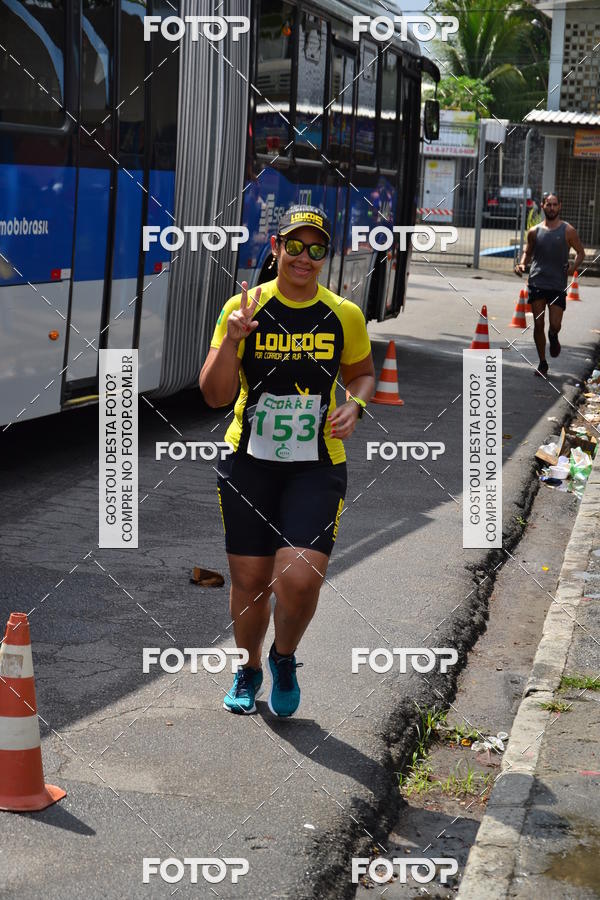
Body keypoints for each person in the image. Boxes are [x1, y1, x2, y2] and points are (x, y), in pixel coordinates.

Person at [199, 205, 375, 717]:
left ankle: (284, 657)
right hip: (247, 462)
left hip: (317, 463)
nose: (304, 257)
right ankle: (248, 666)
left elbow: (362, 373)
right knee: (251, 583)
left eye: (315, 248)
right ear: (276, 249)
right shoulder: (244, 306)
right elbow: (213, 395)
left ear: (326, 256)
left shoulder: (344, 313)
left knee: (297, 578)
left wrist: (355, 403)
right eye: (293, 246)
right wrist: (233, 338)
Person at [515, 192, 585, 377]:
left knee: (555, 324)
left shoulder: (568, 230)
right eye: (549, 204)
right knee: (538, 324)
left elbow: (581, 252)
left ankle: (553, 336)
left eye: (555, 205)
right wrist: (522, 264)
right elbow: (528, 252)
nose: (552, 208)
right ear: (543, 206)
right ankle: (543, 363)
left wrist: (573, 268)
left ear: (559, 206)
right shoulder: (535, 231)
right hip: (537, 281)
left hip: (557, 284)